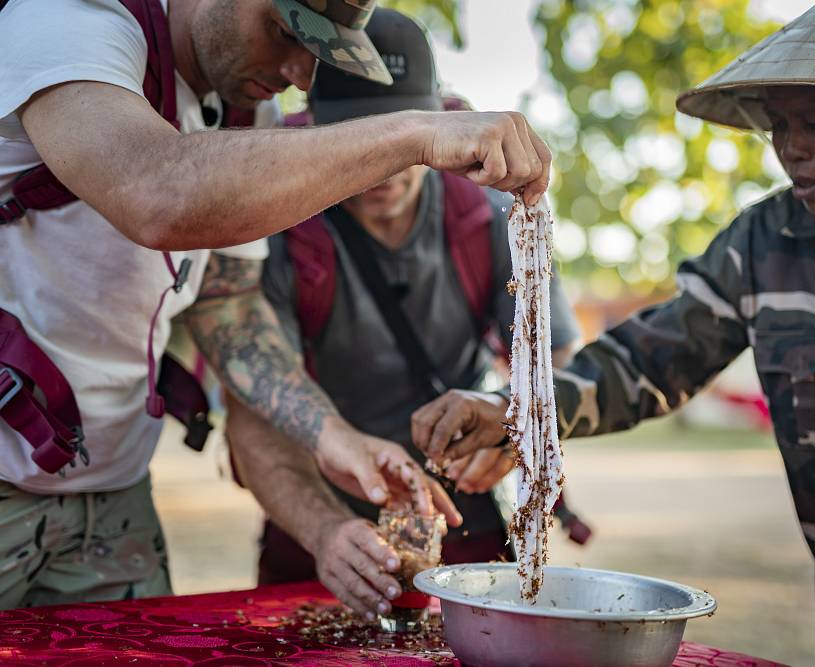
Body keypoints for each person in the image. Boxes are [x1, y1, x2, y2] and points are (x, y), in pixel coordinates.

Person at [407, 0, 815, 664]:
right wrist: (514, 408)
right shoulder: (762, 244)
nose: (790, 148)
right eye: (778, 125)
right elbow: (645, 361)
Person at [0, 0, 550, 609]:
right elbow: (155, 192)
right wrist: (417, 132)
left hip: (112, 483)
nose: (301, 76)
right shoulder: (72, 20)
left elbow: (227, 305)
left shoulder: (244, 107)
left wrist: (332, 436)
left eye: (320, 53)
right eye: (286, 33)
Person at [222, 8, 580, 615]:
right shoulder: (276, 226)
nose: (382, 167)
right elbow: (250, 407)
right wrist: (324, 531)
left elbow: (560, 362)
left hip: (462, 516)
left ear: (435, 123)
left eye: (399, 139)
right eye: (357, 137)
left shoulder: (487, 214)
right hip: (316, 513)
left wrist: (513, 423)